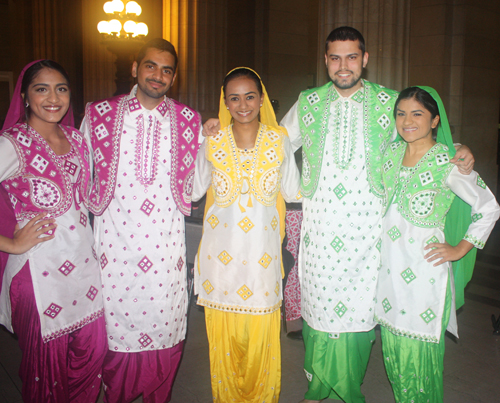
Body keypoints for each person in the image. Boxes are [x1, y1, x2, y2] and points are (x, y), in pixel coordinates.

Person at [80, 38, 201, 403]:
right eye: (150, 66)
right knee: (116, 329)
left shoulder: (188, 120)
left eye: (166, 70)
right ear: (135, 68)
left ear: (174, 77)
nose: (158, 76)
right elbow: (77, 170)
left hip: (165, 251)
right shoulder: (99, 114)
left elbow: (198, 184)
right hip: (114, 252)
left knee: (165, 325)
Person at [374, 86, 499, 402]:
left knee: (420, 359)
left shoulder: (448, 161)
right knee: (393, 354)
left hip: (424, 276)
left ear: (434, 120)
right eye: (401, 113)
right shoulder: (388, 155)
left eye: (417, 113)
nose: (407, 121)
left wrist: (460, 248)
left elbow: (489, 207)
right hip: (387, 274)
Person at [0, 60, 106, 402]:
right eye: (41, 88)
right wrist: (12, 244)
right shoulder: (12, 143)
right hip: (38, 274)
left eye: (61, 88)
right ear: (25, 97)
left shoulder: (77, 139)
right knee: (46, 371)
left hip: (86, 269)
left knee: (92, 357)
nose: (53, 97)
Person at [192, 67, 301, 402]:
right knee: (224, 351)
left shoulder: (278, 140)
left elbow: (295, 191)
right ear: (225, 102)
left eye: (250, 96)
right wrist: (199, 138)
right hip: (218, 266)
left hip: (262, 265)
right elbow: (193, 189)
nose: (242, 104)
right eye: (234, 98)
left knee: (260, 349)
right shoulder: (212, 140)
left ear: (261, 99)